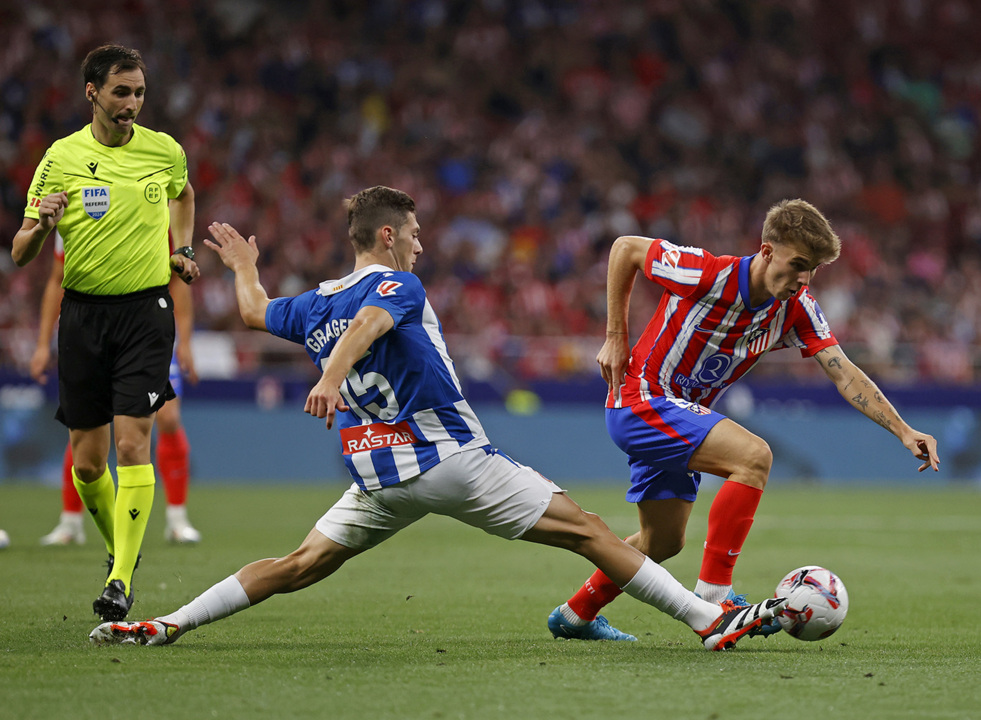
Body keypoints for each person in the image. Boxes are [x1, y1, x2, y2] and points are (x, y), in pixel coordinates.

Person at [89, 186, 786, 651]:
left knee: (297, 564)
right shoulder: (396, 283)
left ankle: (169, 623)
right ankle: (707, 618)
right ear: (387, 236)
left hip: (377, 473)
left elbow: (250, 311)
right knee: (590, 531)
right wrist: (332, 376)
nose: (420, 246)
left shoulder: (310, 304)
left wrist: (244, 265)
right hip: (447, 458)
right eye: (415, 234)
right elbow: (370, 320)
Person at [546, 198, 940, 641]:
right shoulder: (707, 272)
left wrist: (903, 430)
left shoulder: (797, 308)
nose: (803, 279)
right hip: (641, 400)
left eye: (812, 270)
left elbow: (843, 370)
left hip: (676, 417)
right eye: (798, 264)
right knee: (753, 456)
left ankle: (576, 613)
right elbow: (625, 249)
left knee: (662, 541)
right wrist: (615, 336)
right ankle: (717, 597)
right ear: (768, 250)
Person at [11, 44, 200, 622]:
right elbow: (20, 253)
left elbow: (185, 194)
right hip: (83, 318)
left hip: (146, 315)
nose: (132, 104)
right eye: (122, 92)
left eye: (139, 92)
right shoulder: (61, 157)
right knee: (89, 463)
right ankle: (125, 548)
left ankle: (119, 581)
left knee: (130, 444)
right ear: (91, 91)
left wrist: (183, 249)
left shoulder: (163, 151)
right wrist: (42, 226)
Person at [31, 233, 201, 546]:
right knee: (85, 424)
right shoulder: (76, 212)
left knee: (168, 418)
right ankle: (70, 522)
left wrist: (186, 342)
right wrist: (43, 344)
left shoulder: (153, 213)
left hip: (144, 328)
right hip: (90, 328)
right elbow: (58, 279)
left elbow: (179, 280)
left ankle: (178, 519)